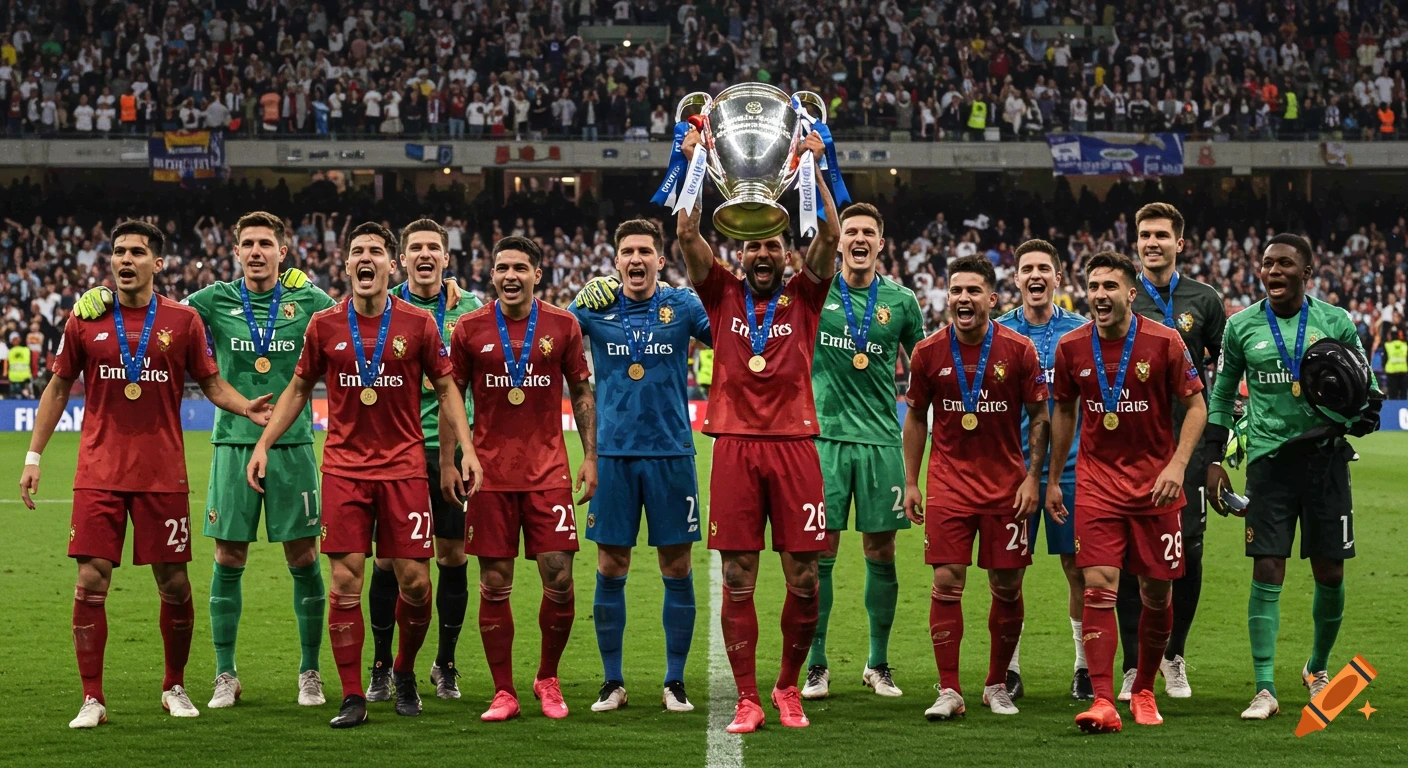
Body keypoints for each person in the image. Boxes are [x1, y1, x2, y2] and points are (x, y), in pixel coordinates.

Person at [20, 219, 274, 729]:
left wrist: (245, 407)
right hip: (98, 471)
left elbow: (211, 381)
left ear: (158, 263)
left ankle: (173, 685)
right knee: (90, 581)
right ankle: (92, 698)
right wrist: (33, 456)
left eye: (137, 252)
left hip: (162, 473)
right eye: (119, 252)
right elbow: (57, 386)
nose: (126, 260)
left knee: (175, 585)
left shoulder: (182, 321)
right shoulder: (85, 318)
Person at [72, 211, 331, 709]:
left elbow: (359, 316)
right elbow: (156, 312)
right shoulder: (213, 300)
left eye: (266, 244)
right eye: (248, 244)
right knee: (228, 558)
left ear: (284, 251)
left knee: (304, 558)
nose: (257, 252)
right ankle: (225, 674)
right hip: (233, 441)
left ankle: (310, 672)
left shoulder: (309, 300)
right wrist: (102, 298)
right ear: (235, 253)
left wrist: (445, 292)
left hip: (294, 444)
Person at [248, 222, 478, 729]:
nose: (366, 258)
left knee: (416, 584)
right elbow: (297, 390)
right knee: (346, 583)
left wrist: (465, 450)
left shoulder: (419, 324)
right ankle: (352, 693)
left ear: (389, 266)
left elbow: (446, 389)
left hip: (403, 471)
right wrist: (263, 443)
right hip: (345, 471)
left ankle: (404, 669)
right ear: (346, 265)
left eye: (376, 251)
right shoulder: (324, 325)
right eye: (358, 252)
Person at [677, 125, 841, 732]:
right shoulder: (718, 292)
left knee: (803, 576)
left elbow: (829, 233)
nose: (764, 255)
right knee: (738, 576)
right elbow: (687, 233)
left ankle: (786, 687)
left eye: (774, 245)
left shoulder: (807, 294)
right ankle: (747, 696)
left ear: (786, 253)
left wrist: (813, 169)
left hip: (796, 448)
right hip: (736, 448)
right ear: (741, 252)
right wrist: (695, 164)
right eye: (754, 247)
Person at [1206, 234, 1381, 721]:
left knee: (1331, 572)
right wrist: (1215, 459)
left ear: (1307, 273)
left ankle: (1317, 669)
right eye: (1267, 264)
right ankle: (1264, 688)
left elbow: (1366, 387)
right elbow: (1221, 394)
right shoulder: (1241, 326)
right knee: (1267, 568)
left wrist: (1364, 410)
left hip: (1326, 461)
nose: (1274, 271)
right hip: (1269, 464)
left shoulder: (1336, 321)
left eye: (1285, 264)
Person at [1047, 250, 1207, 733]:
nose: (1099, 295)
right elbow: (1066, 413)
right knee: (1099, 588)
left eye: (1109, 286)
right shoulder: (1072, 347)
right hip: (1096, 486)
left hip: (1156, 488)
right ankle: (1102, 700)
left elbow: (1196, 407)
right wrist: (1055, 479)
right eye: (1093, 286)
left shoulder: (1164, 341)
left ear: (1130, 293)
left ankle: (1143, 691)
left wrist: (1178, 466)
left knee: (1157, 594)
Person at [440, 235, 597, 723]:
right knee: (493, 582)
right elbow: (450, 396)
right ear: (491, 275)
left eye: (521, 268)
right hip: (488, 475)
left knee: (560, 577)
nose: (511, 276)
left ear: (538, 273)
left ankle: (547, 678)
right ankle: (503, 691)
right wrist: (449, 460)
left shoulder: (563, 325)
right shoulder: (469, 328)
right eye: (503, 267)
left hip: (547, 473)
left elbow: (583, 392)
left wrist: (590, 456)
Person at [569, 218, 712, 713]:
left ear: (659, 259)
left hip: (672, 452)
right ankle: (613, 682)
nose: (635, 259)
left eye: (644, 251)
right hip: (612, 456)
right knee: (611, 565)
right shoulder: (595, 308)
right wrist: (575, 302)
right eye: (627, 252)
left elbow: (732, 335)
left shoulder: (682, 306)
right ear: (614, 262)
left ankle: (674, 681)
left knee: (677, 566)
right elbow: (550, 337)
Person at [902, 255, 1049, 720]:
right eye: (956, 290)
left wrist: (1032, 477)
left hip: (1006, 488)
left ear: (992, 298)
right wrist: (910, 481)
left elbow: (1041, 417)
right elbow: (915, 421)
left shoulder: (1020, 349)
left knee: (1007, 586)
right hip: (947, 485)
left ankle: (996, 684)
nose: (963, 298)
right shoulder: (927, 352)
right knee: (947, 582)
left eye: (972, 291)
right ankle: (949, 689)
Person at [801, 202, 925, 701]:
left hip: (880, 441)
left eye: (867, 232)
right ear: (839, 239)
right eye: (849, 231)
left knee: (881, 552)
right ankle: (816, 665)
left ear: (880, 241)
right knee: (818, 556)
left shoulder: (901, 300)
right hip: (823, 441)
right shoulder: (814, 291)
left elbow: (928, 365)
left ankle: (878, 663)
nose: (857, 239)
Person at [366, 219, 482, 703]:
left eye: (434, 247)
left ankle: (445, 663)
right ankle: (381, 666)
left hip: (449, 453)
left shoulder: (472, 307)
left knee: (451, 556)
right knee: (389, 560)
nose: (425, 254)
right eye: (415, 247)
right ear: (402, 259)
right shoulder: (380, 306)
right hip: (396, 450)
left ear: (446, 258)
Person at [1117, 202, 1225, 701]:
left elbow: (1222, 378)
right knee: (1125, 557)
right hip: (1128, 449)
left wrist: (1215, 448)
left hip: (1188, 447)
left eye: (1161, 234)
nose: (1152, 242)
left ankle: (1174, 655)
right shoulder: (1121, 295)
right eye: (1144, 234)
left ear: (1179, 243)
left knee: (1186, 553)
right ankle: (1132, 662)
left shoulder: (1204, 300)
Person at [996, 239, 1091, 700]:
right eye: (1026, 268)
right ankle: (1009, 670)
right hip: (1013, 471)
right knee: (1008, 572)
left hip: (1072, 471)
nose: (1035, 276)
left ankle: (1084, 667)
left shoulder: (1082, 332)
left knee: (1079, 569)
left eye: (1044, 269)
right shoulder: (998, 334)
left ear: (1058, 277)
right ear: (1015, 279)